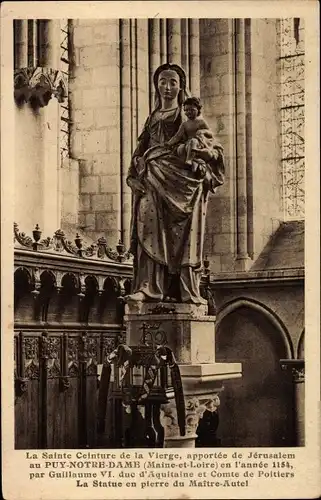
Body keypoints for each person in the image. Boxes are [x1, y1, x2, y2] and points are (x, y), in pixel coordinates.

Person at [126, 63, 225, 304]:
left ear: (181, 87)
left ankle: (186, 290)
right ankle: (149, 287)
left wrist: (203, 159)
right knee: (148, 228)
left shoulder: (187, 115)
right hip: (152, 176)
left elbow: (210, 146)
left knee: (184, 236)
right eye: (162, 81)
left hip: (183, 181)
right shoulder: (153, 117)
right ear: (156, 85)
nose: (167, 87)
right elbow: (141, 147)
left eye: (173, 82)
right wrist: (134, 169)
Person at [165, 96, 213, 174]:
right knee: (180, 148)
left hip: (199, 143)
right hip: (188, 144)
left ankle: (190, 160)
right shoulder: (185, 124)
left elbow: (210, 133)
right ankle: (187, 165)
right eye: (186, 110)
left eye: (192, 110)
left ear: (198, 110)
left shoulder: (201, 122)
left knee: (193, 142)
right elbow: (177, 136)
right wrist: (169, 143)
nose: (189, 112)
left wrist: (202, 131)